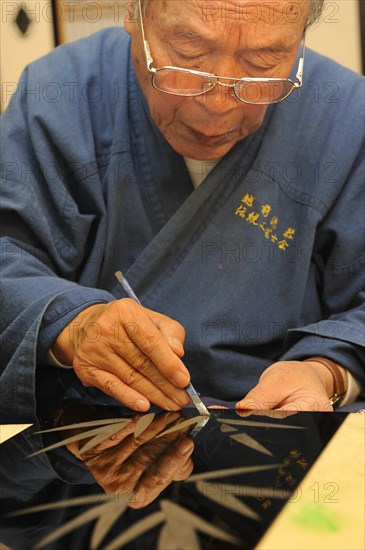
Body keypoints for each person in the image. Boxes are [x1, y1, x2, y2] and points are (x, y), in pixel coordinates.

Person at [1, 0, 364, 421]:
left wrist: (325, 373)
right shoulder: (60, 94)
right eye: (189, 54)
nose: (218, 106)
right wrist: (73, 324)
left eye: (262, 63)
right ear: (133, 16)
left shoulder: (345, 117)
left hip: (283, 441)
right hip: (90, 441)